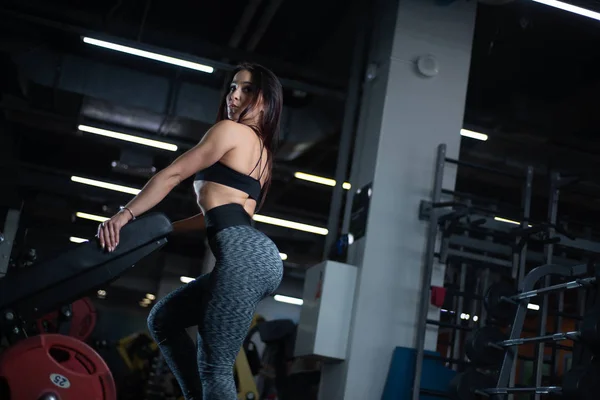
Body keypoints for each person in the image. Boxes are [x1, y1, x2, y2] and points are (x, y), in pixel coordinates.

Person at [96, 62, 285, 400]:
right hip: (261, 258)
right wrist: (159, 231)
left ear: (266, 100)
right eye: (232, 87)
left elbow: (172, 175)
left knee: (215, 365)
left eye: (247, 89)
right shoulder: (264, 156)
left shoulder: (229, 130)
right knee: (164, 320)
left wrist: (125, 214)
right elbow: (223, 215)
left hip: (243, 257)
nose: (234, 95)